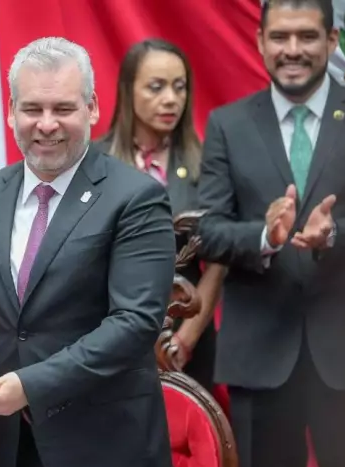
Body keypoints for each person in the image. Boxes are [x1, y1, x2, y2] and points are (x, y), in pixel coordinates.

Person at [194, 0, 345, 467]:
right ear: (261, 42)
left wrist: (335, 234)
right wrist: (265, 237)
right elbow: (210, 232)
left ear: (332, 42)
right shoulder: (227, 124)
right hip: (260, 353)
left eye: (308, 37)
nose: (293, 50)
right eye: (281, 37)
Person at [0, 37, 176, 467]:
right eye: (32, 108)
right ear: (11, 111)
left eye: (63, 108)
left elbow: (135, 323)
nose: (47, 124)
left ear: (93, 107)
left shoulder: (135, 197)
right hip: (11, 461)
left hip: (106, 460)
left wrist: (28, 385)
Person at [98, 38, 225, 391]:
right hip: (110, 342)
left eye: (179, 87)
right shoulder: (95, 164)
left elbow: (217, 263)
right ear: (128, 90)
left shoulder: (208, 165)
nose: (171, 98)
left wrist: (184, 339)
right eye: (156, 87)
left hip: (188, 340)